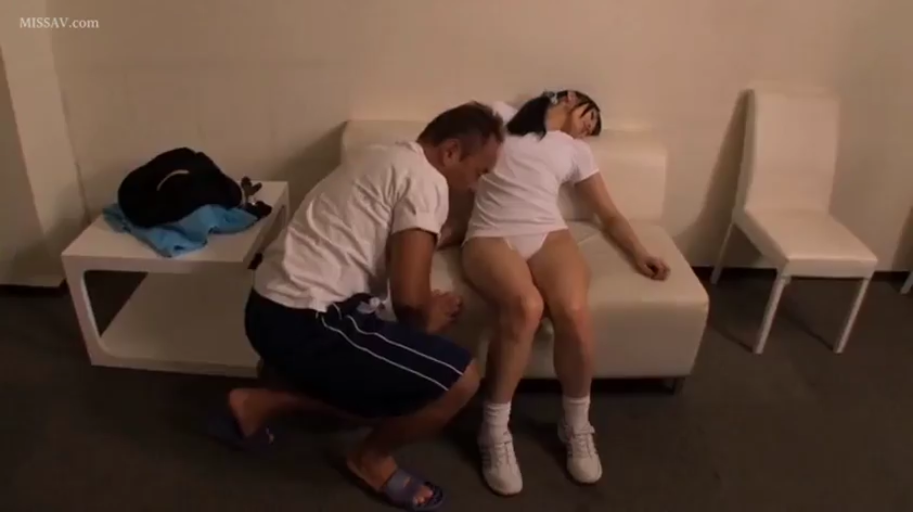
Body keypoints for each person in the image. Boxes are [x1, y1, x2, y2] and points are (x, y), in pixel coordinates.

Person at [209, 102, 504, 511]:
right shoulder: (427, 181)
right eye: (480, 172)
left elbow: (404, 241)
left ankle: (257, 403)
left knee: (389, 364)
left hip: (267, 307)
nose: (475, 186)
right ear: (451, 151)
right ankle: (371, 460)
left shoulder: (382, 156)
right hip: (307, 322)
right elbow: (410, 300)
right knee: (459, 380)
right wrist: (427, 318)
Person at [461, 90, 671, 496]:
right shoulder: (501, 115)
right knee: (526, 307)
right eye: (591, 116)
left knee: (573, 311)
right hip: (491, 233)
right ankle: (494, 429)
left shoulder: (576, 151)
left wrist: (640, 253)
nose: (590, 128)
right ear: (569, 98)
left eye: (595, 129)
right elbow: (454, 137)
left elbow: (608, 213)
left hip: (548, 233)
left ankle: (576, 424)